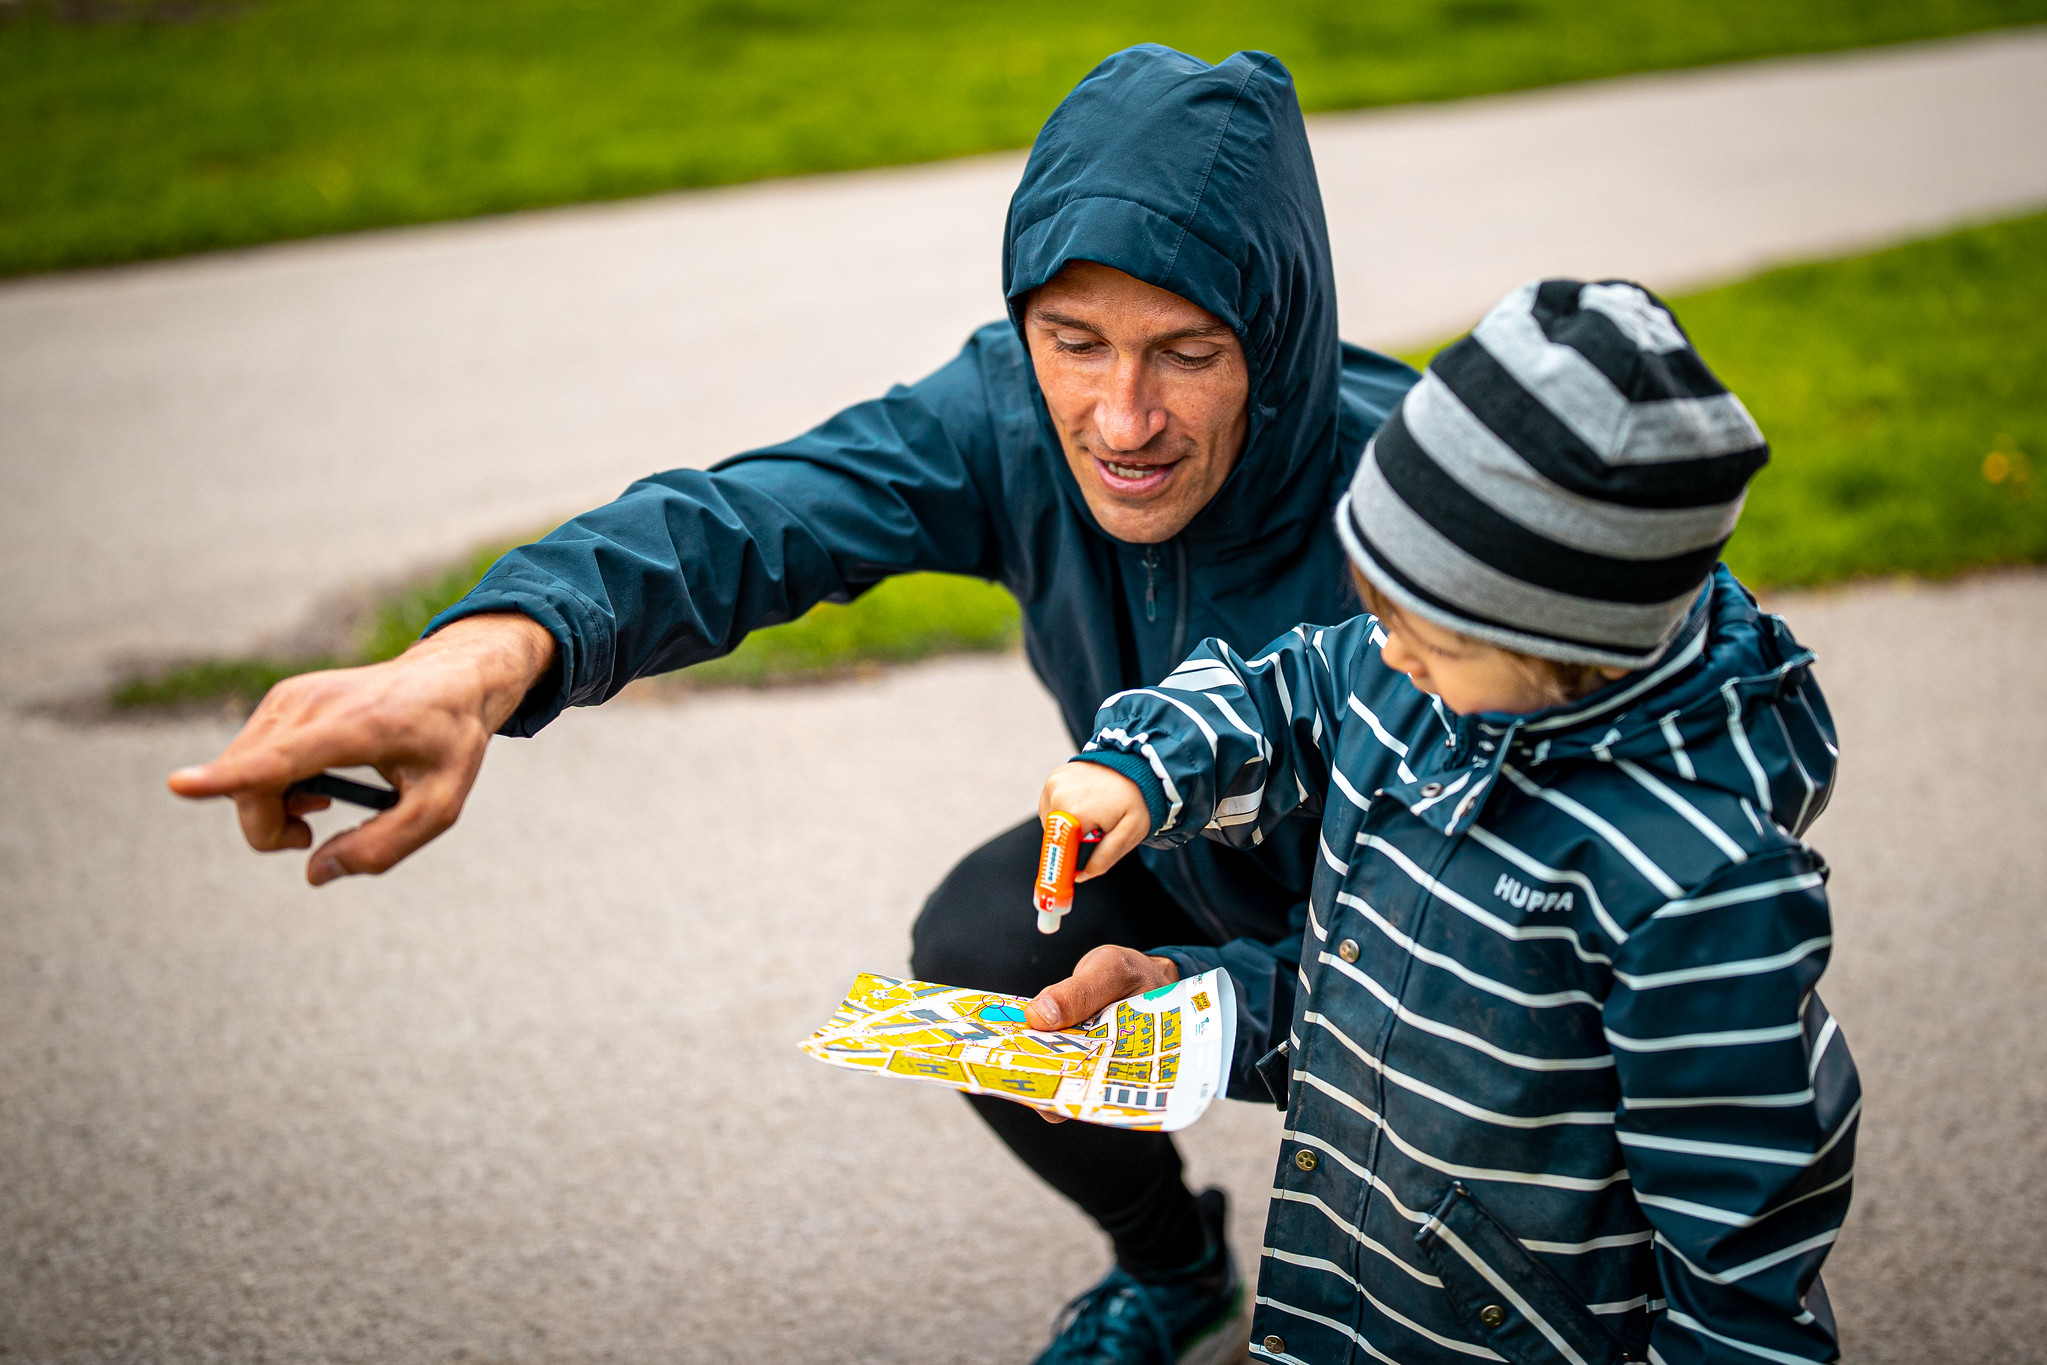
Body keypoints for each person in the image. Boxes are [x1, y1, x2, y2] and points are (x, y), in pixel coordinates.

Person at [166, 44, 1419, 1363]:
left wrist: (1206, 996)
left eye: (1184, 352)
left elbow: (1520, 950)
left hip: (1423, 935)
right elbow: (742, 524)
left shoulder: (1418, 509)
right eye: (1072, 340)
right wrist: (475, 661)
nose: (1119, 417)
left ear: (1271, 343)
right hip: (1175, 857)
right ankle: (1173, 1276)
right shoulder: (1003, 417)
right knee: (985, 944)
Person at [1023, 279, 1860, 1363]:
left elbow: (1743, 1250)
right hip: (1337, 1307)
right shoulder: (1425, 673)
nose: (1385, 648)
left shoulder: (1696, 888)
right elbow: (1301, 693)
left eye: (1420, 626)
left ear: (1568, 639)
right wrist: (1146, 792)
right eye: (1373, 597)